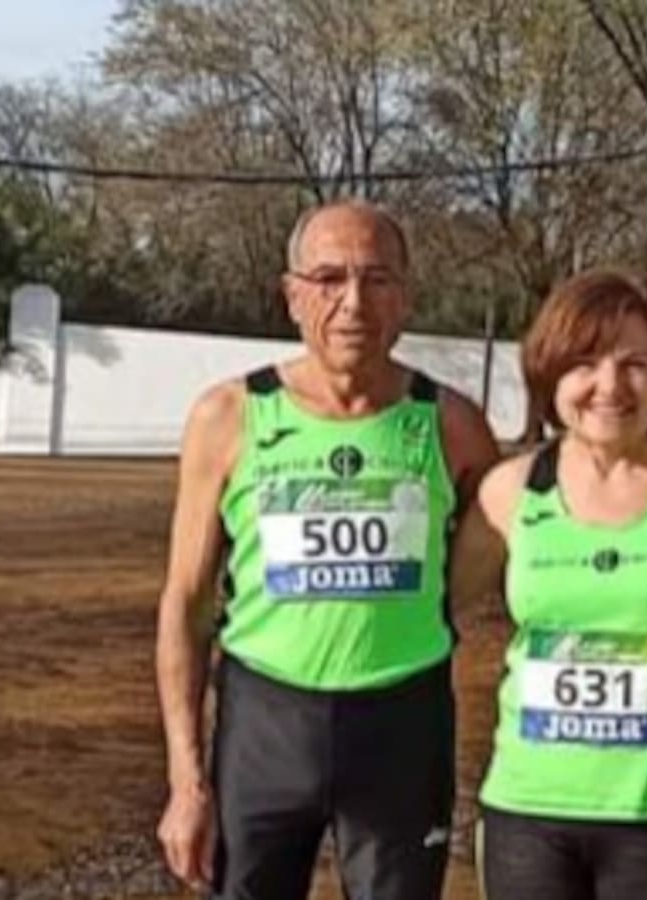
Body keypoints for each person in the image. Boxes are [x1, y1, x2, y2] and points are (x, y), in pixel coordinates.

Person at [154, 200, 499, 899]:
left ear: (405, 296)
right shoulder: (228, 417)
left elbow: (511, 555)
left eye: (377, 279)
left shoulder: (454, 425)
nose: (353, 302)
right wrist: (186, 782)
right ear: (292, 295)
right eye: (329, 278)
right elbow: (185, 605)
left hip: (403, 724)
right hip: (266, 723)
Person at [450, 269, 647, 899]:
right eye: (584, 363)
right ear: (550, 373)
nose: (609, 386)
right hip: (527, 812)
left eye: (634, 364)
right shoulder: (509, 491)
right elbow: (435, 612)